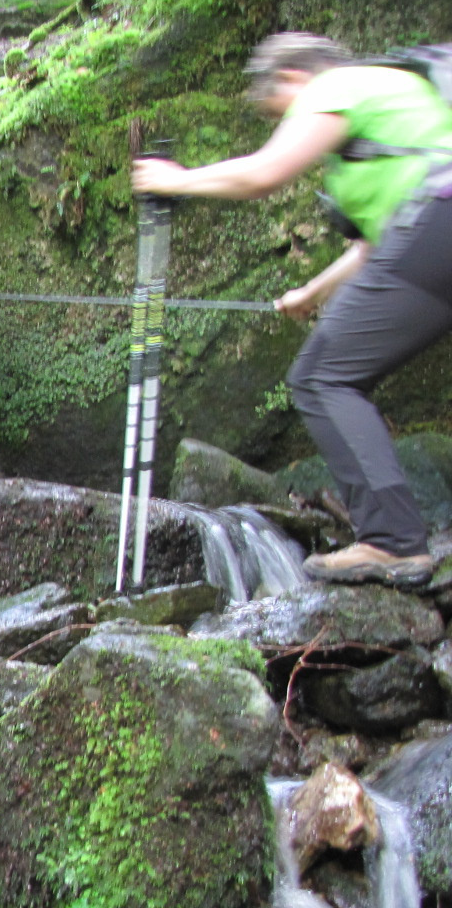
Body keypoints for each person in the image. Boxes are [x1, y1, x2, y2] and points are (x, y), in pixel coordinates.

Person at [134, 33, 452, 586]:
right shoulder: (395, 105)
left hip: (436, 230)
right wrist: (312, 293)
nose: (281, 119)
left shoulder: (336, 85)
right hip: (432, 239)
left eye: (275, 108)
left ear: (291, 78)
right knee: (332, 372)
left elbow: (266, 174)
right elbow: (375, 250)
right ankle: (394, 537)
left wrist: (176, 179)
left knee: (323, 377)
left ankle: (393, 541)